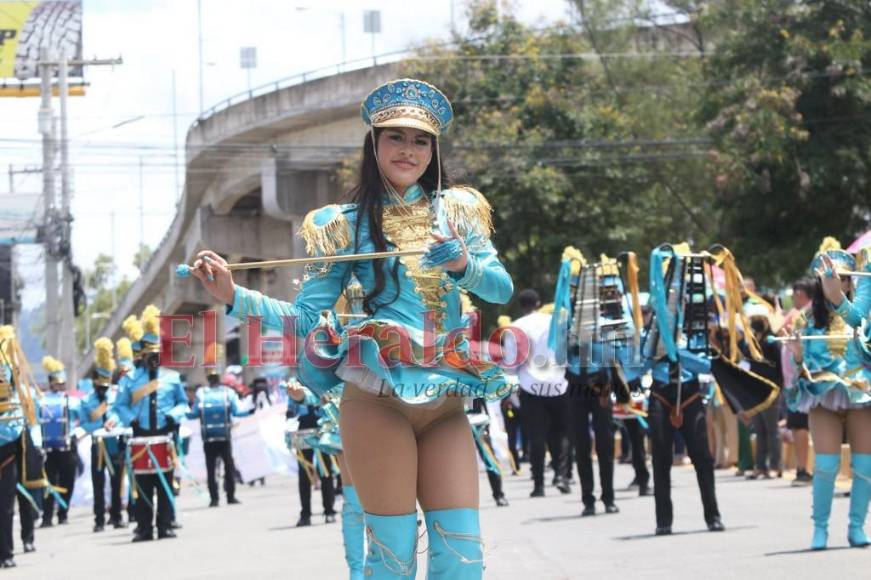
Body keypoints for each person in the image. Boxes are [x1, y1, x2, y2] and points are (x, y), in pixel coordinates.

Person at [190, 78, 512, 578]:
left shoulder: (460, 212)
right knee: (392, 559)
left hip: (445, 405)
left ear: (434, 148)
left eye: (421, 139)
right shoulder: (340, 224)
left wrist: (464, 265)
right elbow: (305, 318)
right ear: (375, 143)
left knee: (462, 558)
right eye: (396, 137)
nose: (409, 150)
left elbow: (500, 289)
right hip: (377, 404)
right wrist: (234, 296)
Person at [784, 239, 870, 550]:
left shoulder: (863, 317)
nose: (839, 283)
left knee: (864, 464)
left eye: (846, 278)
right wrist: (796, 355)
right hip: (824, 395)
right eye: (831, 278)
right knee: (826, 463)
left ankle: (856, 527)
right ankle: (820, 528)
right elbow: (800, 370)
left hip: (861, 394)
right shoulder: (807, 321)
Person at [114, 305, 190, 542]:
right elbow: (120, 406)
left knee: (165, 484)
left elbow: (183, 403)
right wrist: (131, 419)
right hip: (142, 436)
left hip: (165, 437)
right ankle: (145, 528)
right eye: (150, 356)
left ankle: (165, 525)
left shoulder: (172, 377)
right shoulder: (130, 380)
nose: (154, 359)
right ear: (143, 356)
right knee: (144, 486)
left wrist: (173, 416)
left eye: (157, 355)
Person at [506, 289, 570, 498]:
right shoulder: (553, 321)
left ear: (520, 305)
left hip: (530, 387)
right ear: (539, 303)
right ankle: (561, 475)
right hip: (558, 384)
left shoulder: (515, 327)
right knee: (559, 433)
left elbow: (511, 363)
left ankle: (539, 484)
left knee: (536, 437)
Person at [189, 351, 249, 507]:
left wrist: (183, 412)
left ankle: (214, 499)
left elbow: (194, 414)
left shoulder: (201, 393)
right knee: (228, 466)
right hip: (224, 436)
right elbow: (237, 411)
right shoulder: (227, 392)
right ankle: (230, 496)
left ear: (208, 378)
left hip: (208, 438)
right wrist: (251, 411)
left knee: (211, 469)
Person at [80, 338, 126, 531]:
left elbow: (122, 413)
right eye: (100, 387)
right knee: (98, 483)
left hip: (114, 443)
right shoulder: (86, 400)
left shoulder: (116, 395)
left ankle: (116, 516)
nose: (103, 390)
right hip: (97, 444)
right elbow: (84, 423)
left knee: (117, 482)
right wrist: (100, 424)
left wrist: (114, 421)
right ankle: (99, 520)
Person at [38, 356, 82, 527]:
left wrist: (78, 433)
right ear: (51, 382)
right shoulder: (41, 400)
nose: (60, 386)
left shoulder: (72, 401)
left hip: (68, 445)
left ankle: (63, 513)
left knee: (67, 480)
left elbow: (85, 419)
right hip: (47, 449)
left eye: (62, 383)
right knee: (48, 482)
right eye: (57, 382)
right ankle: (47, 516)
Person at [743, 305, 783, 479]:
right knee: (759, 430)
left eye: (759, 319)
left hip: (770, 390)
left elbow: (780, 367)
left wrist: (779, 388)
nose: (756, 323)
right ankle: (760, 466)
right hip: (754, 391)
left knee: (771, 430)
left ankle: (775, 465)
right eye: (753, 319)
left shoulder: (772, 342)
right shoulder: (750, 343)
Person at [781, 278, 815, 485]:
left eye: (795, 294)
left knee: (801, 426)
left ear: (802, 294)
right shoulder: (800, 314)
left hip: (804, 379)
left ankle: (804, 469)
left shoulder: (810, 314)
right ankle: (803, 468)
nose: (793, 297)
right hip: (794, 379)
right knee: (798, 426)